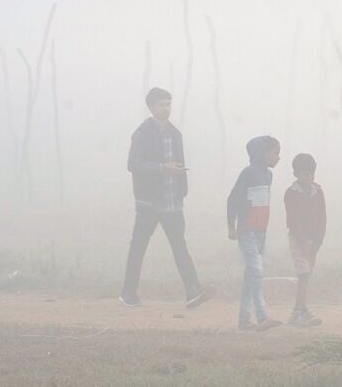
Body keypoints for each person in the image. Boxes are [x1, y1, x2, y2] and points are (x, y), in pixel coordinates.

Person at [120, 88, 211, 309]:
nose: (166, 108)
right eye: (161, 105)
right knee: (139, 247)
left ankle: (193, 291)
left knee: (180, 247)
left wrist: (180, 181)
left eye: (168, 104)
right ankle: (128, 293)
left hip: (172, 201)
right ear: (151, 108)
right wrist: (163, 168)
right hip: (149, 203)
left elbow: (176, 163)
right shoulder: (142, 133)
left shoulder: (175, 134)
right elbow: (134, 164)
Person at [227, 135, 283, 331]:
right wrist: (231, 227)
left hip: (261, 231)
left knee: (251, 275)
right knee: (256, 272)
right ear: (263, 153)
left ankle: (244, 319)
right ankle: (262, 317)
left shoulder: (269, 176)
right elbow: (232, 200)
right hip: (247, 230)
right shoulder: (248, 173)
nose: (278, 157)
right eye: (275, 153)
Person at [284, 153, 326, 327]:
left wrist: (317, 241)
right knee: (303, 273)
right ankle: (302, 311)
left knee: (307, 274)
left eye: (310, 173)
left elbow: (322, 218)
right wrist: (304, 241)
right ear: (296, 174)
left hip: (314, 241)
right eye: (303, 173)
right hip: (298, 239)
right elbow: (292, 220)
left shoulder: (318, 192)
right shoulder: (291, 193)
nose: (307, 177)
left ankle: (297, 311)